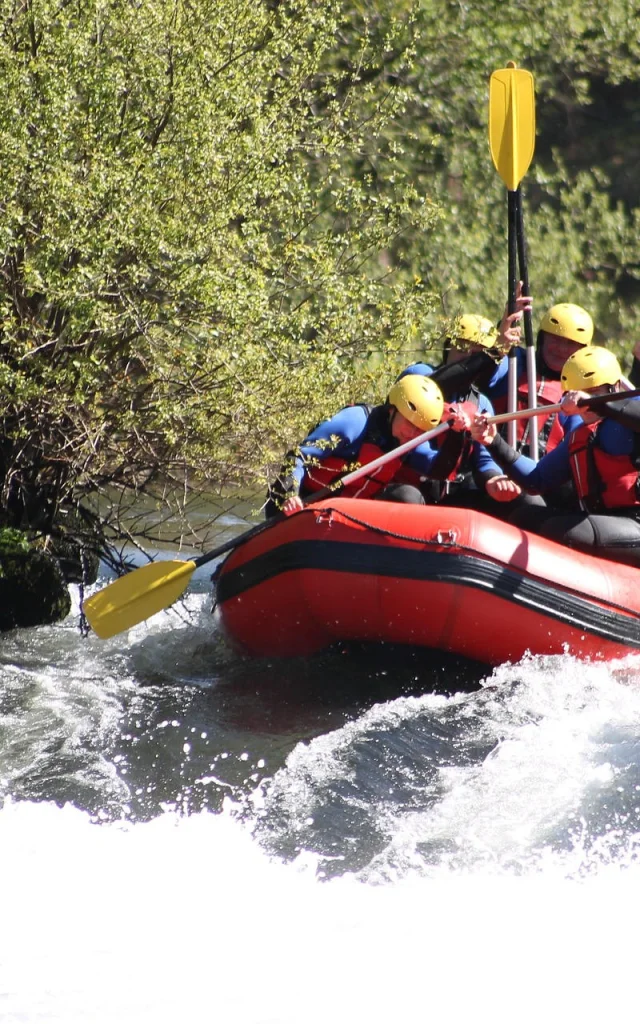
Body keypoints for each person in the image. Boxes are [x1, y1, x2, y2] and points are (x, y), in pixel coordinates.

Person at [470, 346, 640, 565]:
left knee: (559, 530)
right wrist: (493, 441)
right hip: (603, 522)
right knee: (522, 517)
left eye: (594, 393)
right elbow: (535, 479)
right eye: (579, 393)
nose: (585, 403)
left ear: (615, 388)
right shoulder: (579, 437)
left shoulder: (629, 420)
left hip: (634, 524)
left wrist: (600, 403)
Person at [265, 375, 472, 517]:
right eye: (410, 425)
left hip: (348, 515)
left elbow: (439, 470)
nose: (413, 435)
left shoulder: (408, 442)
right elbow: (298, 457)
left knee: (408, 496)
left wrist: (457, 435)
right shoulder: (354, 423)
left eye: (420, 430)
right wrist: (290, 495)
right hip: (304, 505)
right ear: (392, 410)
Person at [396, 313, 528, 512]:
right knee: (409, 496)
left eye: (477, 354)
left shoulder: (481, 403)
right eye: (463, 350)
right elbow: (436, 386)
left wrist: (493, 479)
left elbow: (484, 460)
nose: (468, 359)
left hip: (450, 492)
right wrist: (493, 352)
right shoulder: (418, 375)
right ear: (448, 349)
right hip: (406, 485)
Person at [485, 299, 593, 457]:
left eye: (571, 343)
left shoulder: (584, 388)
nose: (562, 349)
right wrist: (502, 335)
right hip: (493, 467)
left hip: (541, 473)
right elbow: (488, 373)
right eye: (555, 339)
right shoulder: (516, 361)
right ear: (542, 339)